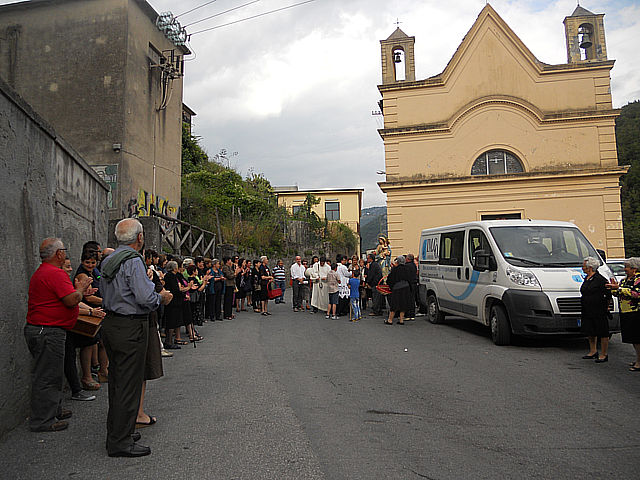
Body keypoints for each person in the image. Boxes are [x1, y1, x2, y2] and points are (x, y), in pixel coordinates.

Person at [100, 219, 172, 457]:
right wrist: (161, 298)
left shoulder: (110, 259)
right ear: (139, 238)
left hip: (112, 323)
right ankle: (120, 441)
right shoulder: (133, 260)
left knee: (119, 382)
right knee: (129, 384)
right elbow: (144, 297)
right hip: (130, 326)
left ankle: (120, 430)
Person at [25, 238, 93, 432]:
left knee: (51, 374)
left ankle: (52, 410)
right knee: (47, 376)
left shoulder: (47, 272)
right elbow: (71, 300)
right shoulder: (55, 273)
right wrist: (81, 288)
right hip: (47, 331)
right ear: (59, 254)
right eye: (64, 250)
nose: (65, 253)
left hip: (45, 329)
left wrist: (81, 292)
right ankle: (43, 420)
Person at [608, 257, 640, 371]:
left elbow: (636, 294)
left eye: (627, 267)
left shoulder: (638, 279)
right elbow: (619, 293)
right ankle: (638, 359)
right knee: (632, 338)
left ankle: (639, 362)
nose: (625, 269)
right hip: (626, 312)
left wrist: (620, 289)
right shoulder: (624, 280)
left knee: (637, 338)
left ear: (634, 269)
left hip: (636, 312)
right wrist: (613, 288)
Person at [580, 256, 611, 362]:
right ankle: (593, 351)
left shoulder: (600, 279)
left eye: (584, 266)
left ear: (590, 267)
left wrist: (607, 306)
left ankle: (604, 354)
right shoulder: (586, 278)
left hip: (599, 309)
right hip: (587, 309)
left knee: (602, 331)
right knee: (590, 331)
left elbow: (608, 295)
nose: (582, 268)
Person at [385, 256, 413, 325]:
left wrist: (390, 287)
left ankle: (390, 320)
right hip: (406, 287)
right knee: (403, 304)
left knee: (394, 304)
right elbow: (410, 279)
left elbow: (390, 279)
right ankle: (401, 320)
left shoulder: (395, 269)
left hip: (397, 288)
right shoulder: (407, 269)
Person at [404, 253, 418, 320]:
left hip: (409, 284)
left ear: (408, 259)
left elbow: (406, 276)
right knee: (412, 300)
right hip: (414, 283)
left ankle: (408, 315)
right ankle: (412, 314)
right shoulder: (414, 265)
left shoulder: (407, 266)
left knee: (408, 300)